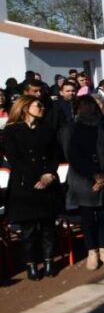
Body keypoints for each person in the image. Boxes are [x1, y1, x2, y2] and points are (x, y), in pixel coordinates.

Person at [59, 96, 104, 270]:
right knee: (87, 217)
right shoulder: (70, 128)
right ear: (77, 109)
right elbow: (72, 154)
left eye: (91, 106)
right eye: (84, 106)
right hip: (83, 177)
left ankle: (103, 249)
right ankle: (92, 251)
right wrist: (94, 175)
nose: (88, 109)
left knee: (103, 215)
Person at [5, 96, 62, 279]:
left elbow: (55, 154)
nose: (42, 107)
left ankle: (48, 262)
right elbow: (15, 159)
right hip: (24, 185)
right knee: (28, 230)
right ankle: (30, 264)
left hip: (48, 181)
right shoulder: (11, 130)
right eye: (38, 105)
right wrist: (38, 176)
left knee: (48, 227)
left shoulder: (47, 129)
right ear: (24, 107)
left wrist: (49, 174)